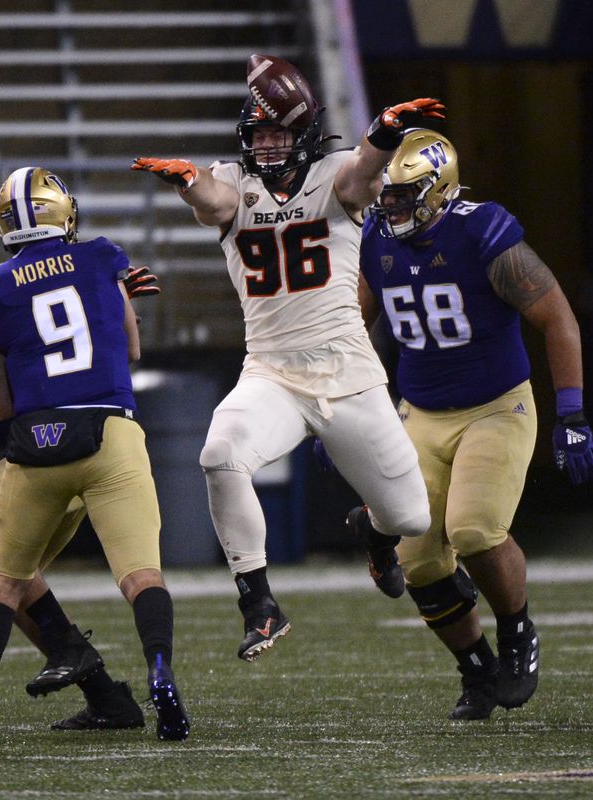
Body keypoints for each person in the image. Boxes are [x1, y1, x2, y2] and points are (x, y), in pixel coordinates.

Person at [132, 54, 439, 661]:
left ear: (302, 132)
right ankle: (259, 604)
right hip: (271, 372)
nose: (267, 145)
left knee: (412, 519)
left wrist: (384, 133)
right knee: (220, 456)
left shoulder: (334, 174)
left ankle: (375, 535)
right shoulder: (233, 181)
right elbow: (215, 202)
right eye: (259, 135)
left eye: (278, 133)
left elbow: (362, 176)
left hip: (348, 374)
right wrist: (188, 181)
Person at [357, 130, 593, 719]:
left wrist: (571, 413)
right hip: (420, 412)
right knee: (419, 560)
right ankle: (477, 671)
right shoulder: (375, 238)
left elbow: (558, 317)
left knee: (473, 530)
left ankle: (517, 633)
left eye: (405, 196)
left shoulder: (481, 230)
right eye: (388, 195)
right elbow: (353, 328)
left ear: (439, 191)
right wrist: (343, 409)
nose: (392, 207)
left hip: (495, 407)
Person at [0, 166, 188, 742]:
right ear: (64, 214)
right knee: (140, 574)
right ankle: (160, 672)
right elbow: (131, 349)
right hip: (109, 433)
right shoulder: (103, 257)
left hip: (38, 446)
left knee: (3, 580)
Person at [0, 263, 161, 732]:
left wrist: (104, 296)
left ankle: (68, 653)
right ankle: (105, 695)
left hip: (61, 442)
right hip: (39, 449)